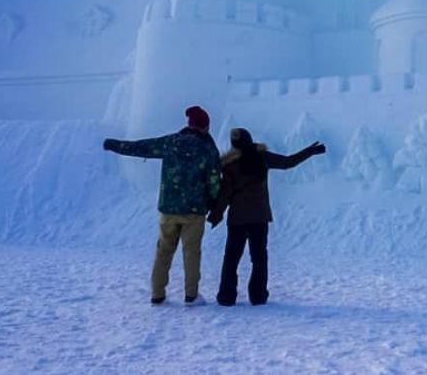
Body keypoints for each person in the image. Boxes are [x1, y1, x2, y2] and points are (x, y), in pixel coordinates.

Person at [103, 105, 221, 306]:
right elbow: (213, 180)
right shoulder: (208, 148)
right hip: (194, 211)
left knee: (164, 251)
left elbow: (141, 147)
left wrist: (114, 145)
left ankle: (157, 293)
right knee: (191, 252)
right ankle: (191, 295)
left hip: (169, 209)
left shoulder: (170, 143)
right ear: (204, 126)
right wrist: (214, 204)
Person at [208, 128, 326, 306]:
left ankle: (226, 296)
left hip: (237, 219)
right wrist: (310, 151)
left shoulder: (230, 165)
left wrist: (216, 214)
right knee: (259, 258)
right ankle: (258, 296)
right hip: (259, 217)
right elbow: (288, 162)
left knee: (231, 258)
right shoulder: (262, 157)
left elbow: (225, 193)